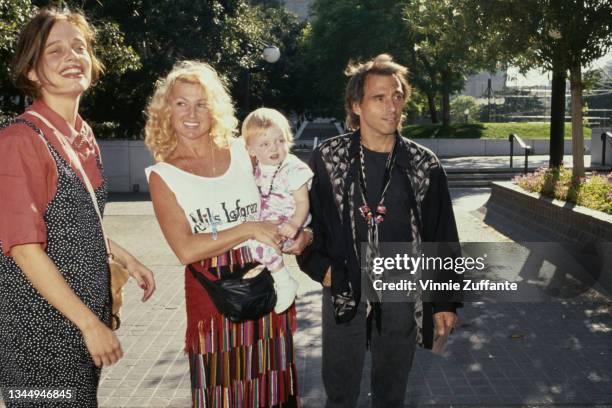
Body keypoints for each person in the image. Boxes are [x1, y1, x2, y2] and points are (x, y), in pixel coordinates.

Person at [0, 8, 155, 408]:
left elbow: (72, 220)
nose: (72, 56)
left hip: (77, 327)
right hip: (38, 337)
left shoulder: (81, 133)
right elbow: (23, 247)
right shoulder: (21, 140)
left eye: (79, 47)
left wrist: (125, 256)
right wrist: (90, 325)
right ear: (32, 70)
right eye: (55, 51)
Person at [297, 54, 461, 407]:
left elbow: (442, 235)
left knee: (391, 392)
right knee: (340, 393)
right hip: (343, 287)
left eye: (398, 96)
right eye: (379, 97)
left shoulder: (423, 164)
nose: (392, 106)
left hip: (402, 290)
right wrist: (322, 269)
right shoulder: (328, 159)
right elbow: (307, 225)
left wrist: (445, 302)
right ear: (356, 105)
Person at [145, 61, 303, 407]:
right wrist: (248, 227)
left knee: (272, 383)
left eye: (201, 103)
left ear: (214, 108)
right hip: (214, 294)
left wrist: (301, 233)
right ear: (165, 109)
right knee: (220, 390)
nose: (191, 113)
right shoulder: (163, 175)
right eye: (181, 103)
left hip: (264, 282)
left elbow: (287, 189)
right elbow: (185, 249)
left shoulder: (243, 152)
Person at [242, 107, 313, 313]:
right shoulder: (255, 169)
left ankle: (284, 281)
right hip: (267, 223)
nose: (275, 148)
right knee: (248, 239)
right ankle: (274, 276)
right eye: (265, 144)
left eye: (280, 141)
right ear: (251, 149)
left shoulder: (292, 168)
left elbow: (302, 202)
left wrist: (294, 224)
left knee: (256, 242)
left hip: (288, 224)